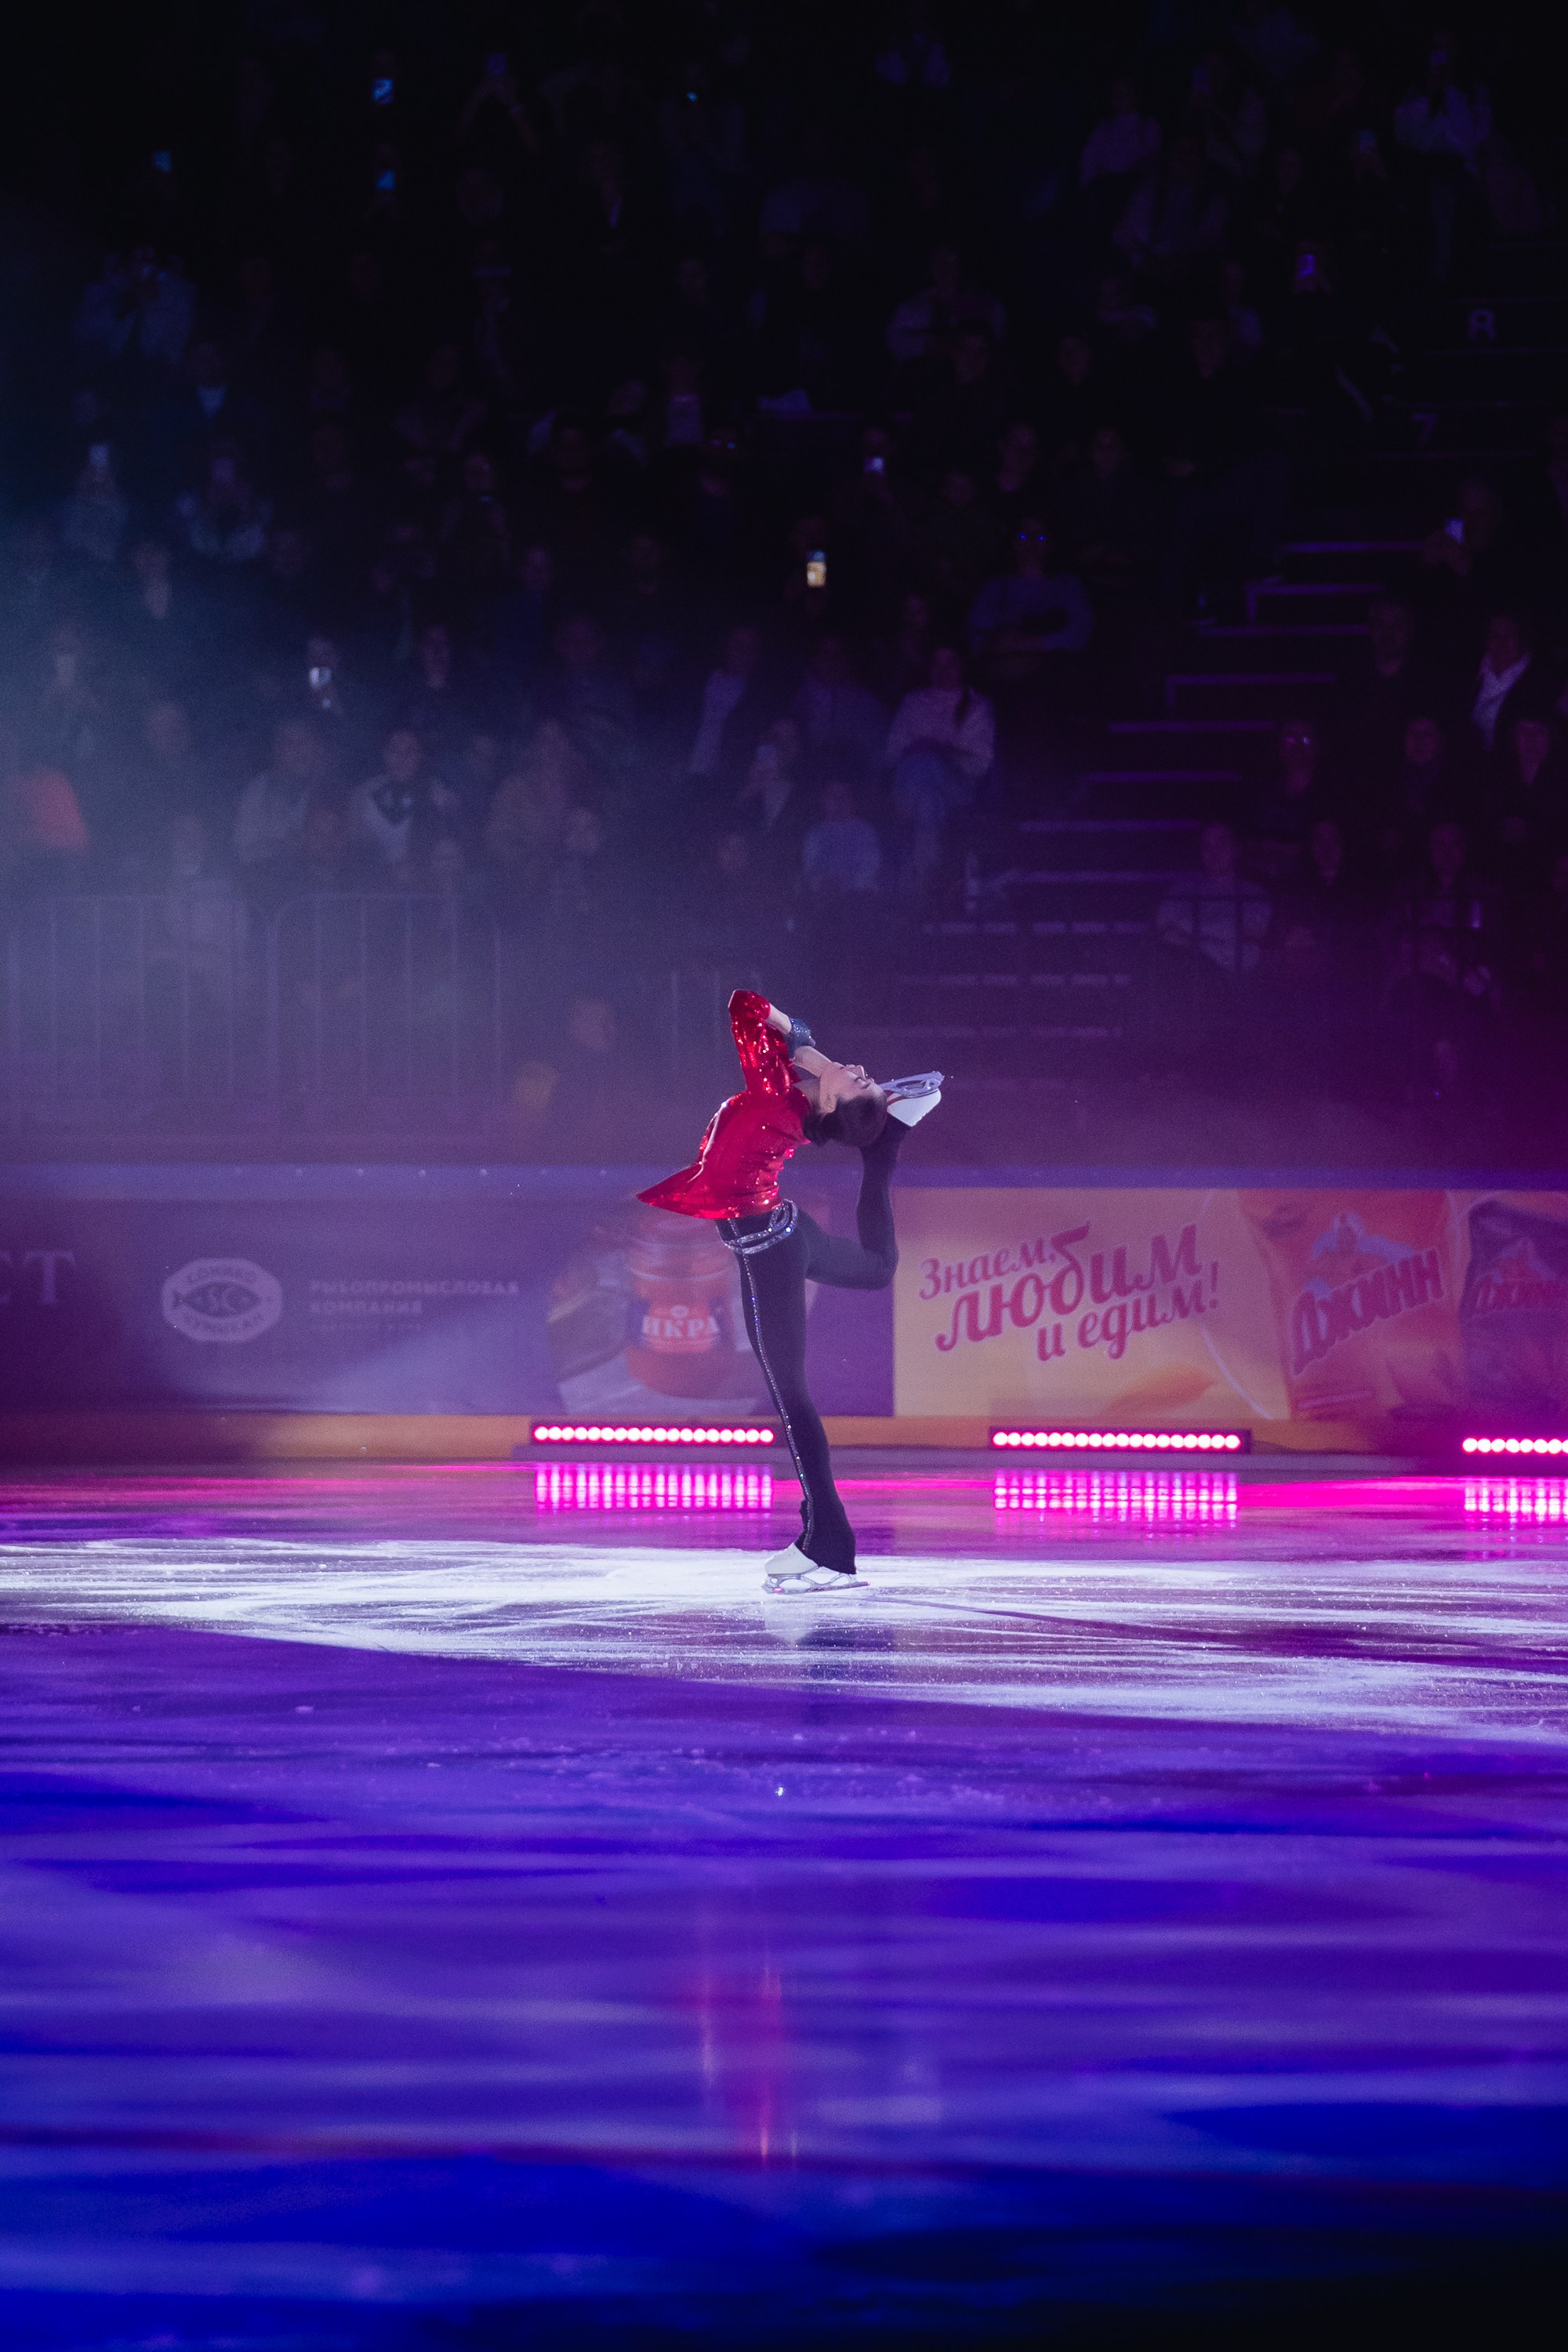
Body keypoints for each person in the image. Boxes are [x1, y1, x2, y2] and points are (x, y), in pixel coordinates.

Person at [637, 990, 937, 1595]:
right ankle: (887, 1145)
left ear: (831, 1101)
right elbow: (794, 1037)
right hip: (787, 1230)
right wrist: (813, 1051)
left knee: (791, 1398)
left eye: (859, 1084)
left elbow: (743, 1004)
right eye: (864, 1076)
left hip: (771, 1250)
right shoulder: (801, 1090)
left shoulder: (779, 1091)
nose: (859, 1071)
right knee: (876, 1268)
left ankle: (828, 1546)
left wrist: (811, 1051)